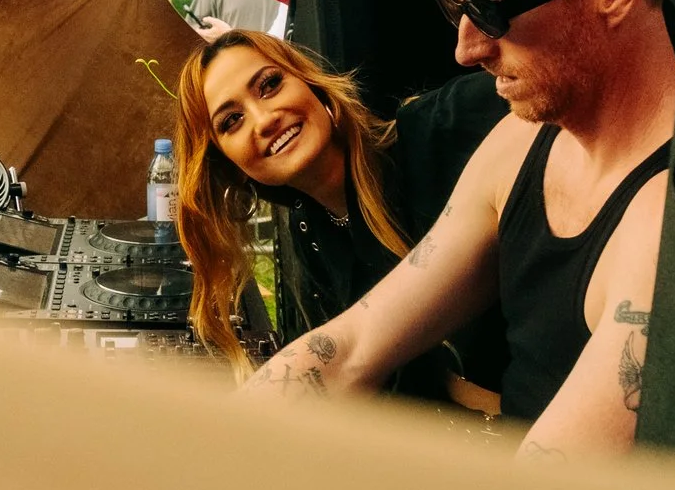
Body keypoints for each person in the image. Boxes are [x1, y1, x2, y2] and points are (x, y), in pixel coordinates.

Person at [248, 0, 675, 461]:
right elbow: (351, 350)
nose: (466, 49)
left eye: (490, 13)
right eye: (457, 11)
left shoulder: (673, 214)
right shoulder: (521, 144)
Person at [173, 30, 507, 392]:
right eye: (232, 120)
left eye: (269, 85)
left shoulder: (442, 127)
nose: (264, 119)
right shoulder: (311, 231)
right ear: (230, 165)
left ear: (311, 85)